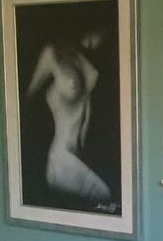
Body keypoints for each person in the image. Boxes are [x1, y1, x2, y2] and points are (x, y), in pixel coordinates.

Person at [27, 31, 113, 204]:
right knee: (105, 198)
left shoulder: (84, 59)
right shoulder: (52, 53)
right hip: (63, 157)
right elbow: (27, 95)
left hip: (82, 154)